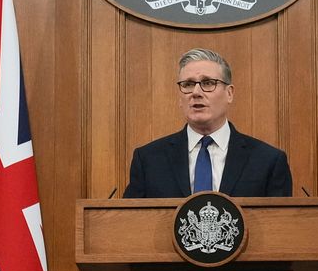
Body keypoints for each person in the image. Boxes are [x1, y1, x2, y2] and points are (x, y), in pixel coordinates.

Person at [123, 48, 292, 198]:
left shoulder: (268, 160)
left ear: (229, 93)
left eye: (208, 83)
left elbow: (281, 221)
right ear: (180, 98)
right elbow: (130, 220)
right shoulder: (148, 160)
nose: (196, 92)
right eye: (188, 84)